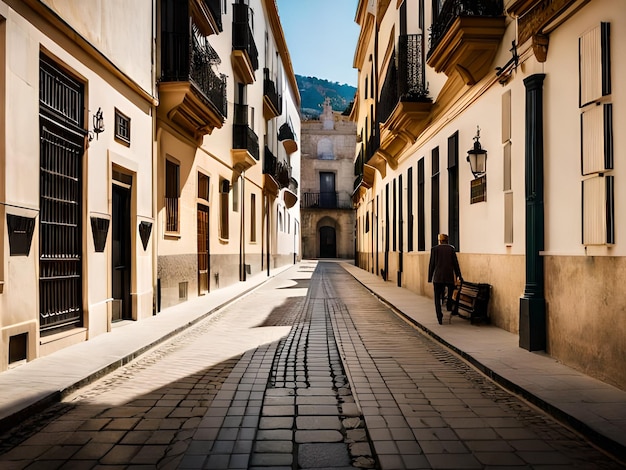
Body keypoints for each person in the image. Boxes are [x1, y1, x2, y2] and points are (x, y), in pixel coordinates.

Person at [428, 234, 462, 325]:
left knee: (437, 297)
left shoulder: (434, 249)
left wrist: (430, 277)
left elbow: (432, 264)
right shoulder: (451, 249)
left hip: (438, 277)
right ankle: (448, 305)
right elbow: (456, 264)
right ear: (447, 240)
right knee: (450, 293)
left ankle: (439, 316)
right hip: (448, 277)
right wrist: (459, 275)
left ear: (439, 241)